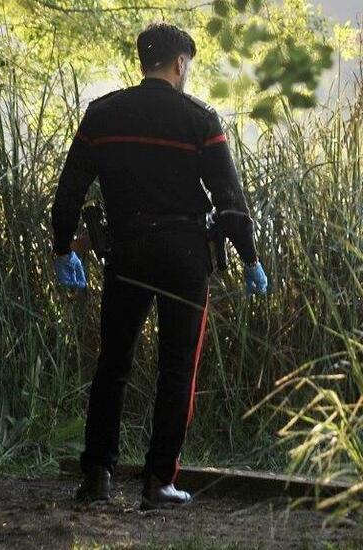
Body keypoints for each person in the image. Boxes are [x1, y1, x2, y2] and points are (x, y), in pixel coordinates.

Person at [50, 22, 269, 510]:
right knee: (177, 368)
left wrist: (63, 247)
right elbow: (229, 201)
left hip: (125, 251)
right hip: (184, 255)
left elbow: (70, 191)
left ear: (143, 60)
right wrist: (251, 257)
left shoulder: (102, 114)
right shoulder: (200, 119)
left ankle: (97, 476)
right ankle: (158, 481)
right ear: (181, 63)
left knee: (113, 364)